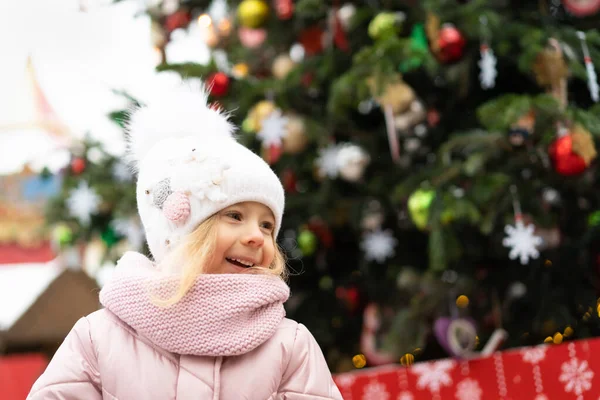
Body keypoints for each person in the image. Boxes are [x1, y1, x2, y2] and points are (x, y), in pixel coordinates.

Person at [27, 81, 343, 400]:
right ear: (180, 232)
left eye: (266, 226)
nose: (256, 238)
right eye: (234, 216)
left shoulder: (288, 345)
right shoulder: (98, 339)